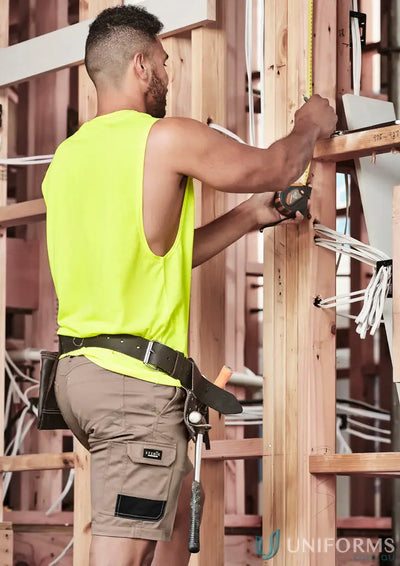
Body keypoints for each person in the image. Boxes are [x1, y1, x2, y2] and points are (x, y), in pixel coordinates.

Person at [42, 5, 337, 566]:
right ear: (140, 65)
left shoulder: (68, 160)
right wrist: (311, 124)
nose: (169, 73)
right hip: (132, 389)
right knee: (121, 554)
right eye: (163, 60)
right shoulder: (162, 139)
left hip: (81, 380)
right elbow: (274, 165)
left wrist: (248, 219)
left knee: (172, 524)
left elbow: (158, 258)